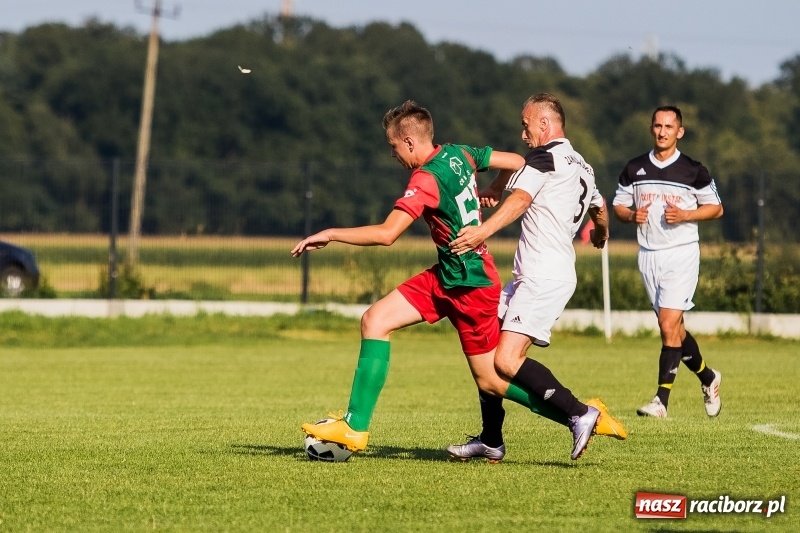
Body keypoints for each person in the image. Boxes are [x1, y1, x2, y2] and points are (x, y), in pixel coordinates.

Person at [292, 100, 624, 461]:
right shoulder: (459, 153)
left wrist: (331, 233)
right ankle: (356, 427)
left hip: (472, 286)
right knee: (375, 320)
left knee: (498, 375)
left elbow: (388, 234)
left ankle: (578, 412)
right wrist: (496, 187)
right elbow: (516, 161)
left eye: (392, 147)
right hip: (449, 276)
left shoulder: (427, 178)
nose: (393, 156)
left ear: (408, 142)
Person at [448, 93, 627, 461]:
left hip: (545, 276)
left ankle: (579, 413)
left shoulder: (543, 157)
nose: (523, 131)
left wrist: (483, 232)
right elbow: (600, 207)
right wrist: (602, 234)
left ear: (545, 125)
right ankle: (491, 440)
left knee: (507, 361)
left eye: (526, 124)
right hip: (536, 274)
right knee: (484, 353)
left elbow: (521, 200)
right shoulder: (583, 166)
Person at [612, 105, 723, 419]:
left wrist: (687, 214)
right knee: (675, 330)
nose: (662, 132)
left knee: (666, 325)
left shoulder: (693, 170)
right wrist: (631, 215)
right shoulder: (634, 168)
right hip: (648, 255)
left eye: (669, 127)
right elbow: (618, 205)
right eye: (658, 126)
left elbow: (716, 209)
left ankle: (661, 401)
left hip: (682, 252)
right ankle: (708, 378)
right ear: (652, 129)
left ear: (680, 131)